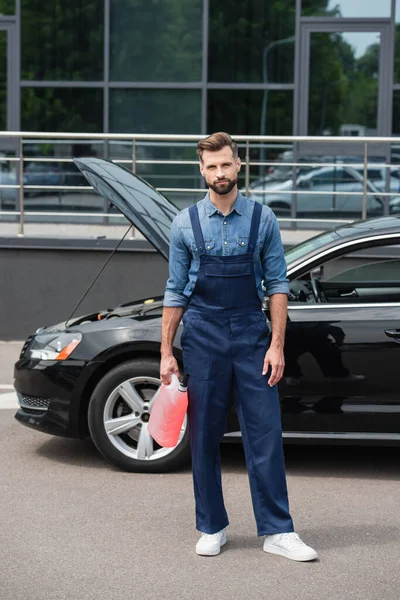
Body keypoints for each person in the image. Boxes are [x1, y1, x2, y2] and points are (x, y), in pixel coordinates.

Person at [160, 132, 317, 562]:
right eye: (211, 167)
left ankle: (278, 531)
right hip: (203, 335)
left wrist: (277, 345)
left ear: (239, 165)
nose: (219, 173)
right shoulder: (184, 223)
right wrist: (166, 352)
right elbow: (175, 291)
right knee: (206, 437)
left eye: (226, 164)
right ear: (201, 170)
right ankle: (212, 526)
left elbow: (278, 286)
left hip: (251, 335)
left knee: (265, 433)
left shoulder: (262, 219)